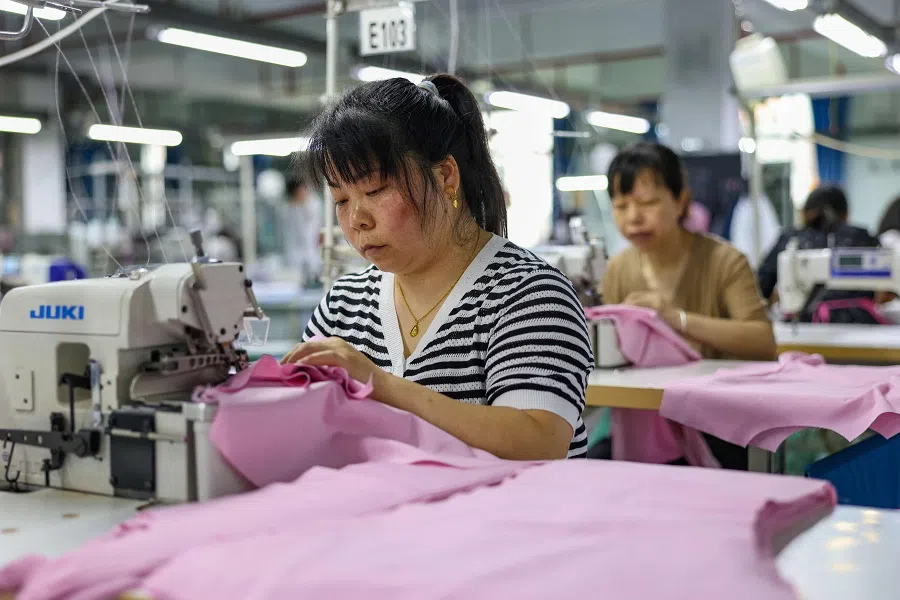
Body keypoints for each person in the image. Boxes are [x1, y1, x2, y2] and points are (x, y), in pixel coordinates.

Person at [281, 75, 594, 460]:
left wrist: (380, 385)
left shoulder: (529, 295)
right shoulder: (343, 306)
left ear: (445, 177)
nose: (357, 219)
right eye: (341, 200)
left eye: (375, 190)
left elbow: (538, 441)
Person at [599, 142, 776, 470]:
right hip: (646, 424)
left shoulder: (725, 262)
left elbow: (762, 341)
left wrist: (675, 318)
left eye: (648, 203)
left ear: (681, 201)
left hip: (716, 424)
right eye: (621, 206)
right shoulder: (617, 269)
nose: (633, 217)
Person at [757, 185, 882, 321]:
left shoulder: (790, 239)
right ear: (846, 214)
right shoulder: (863, 237)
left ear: (804, 213)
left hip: (805, 322)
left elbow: (760, 288)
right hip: (861, 322)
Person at [283, 175, 323, 286]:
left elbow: (314, 232)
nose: (301, 194)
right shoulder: (291, 209)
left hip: (313, 252)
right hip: (298, 254)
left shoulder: (314, 204)